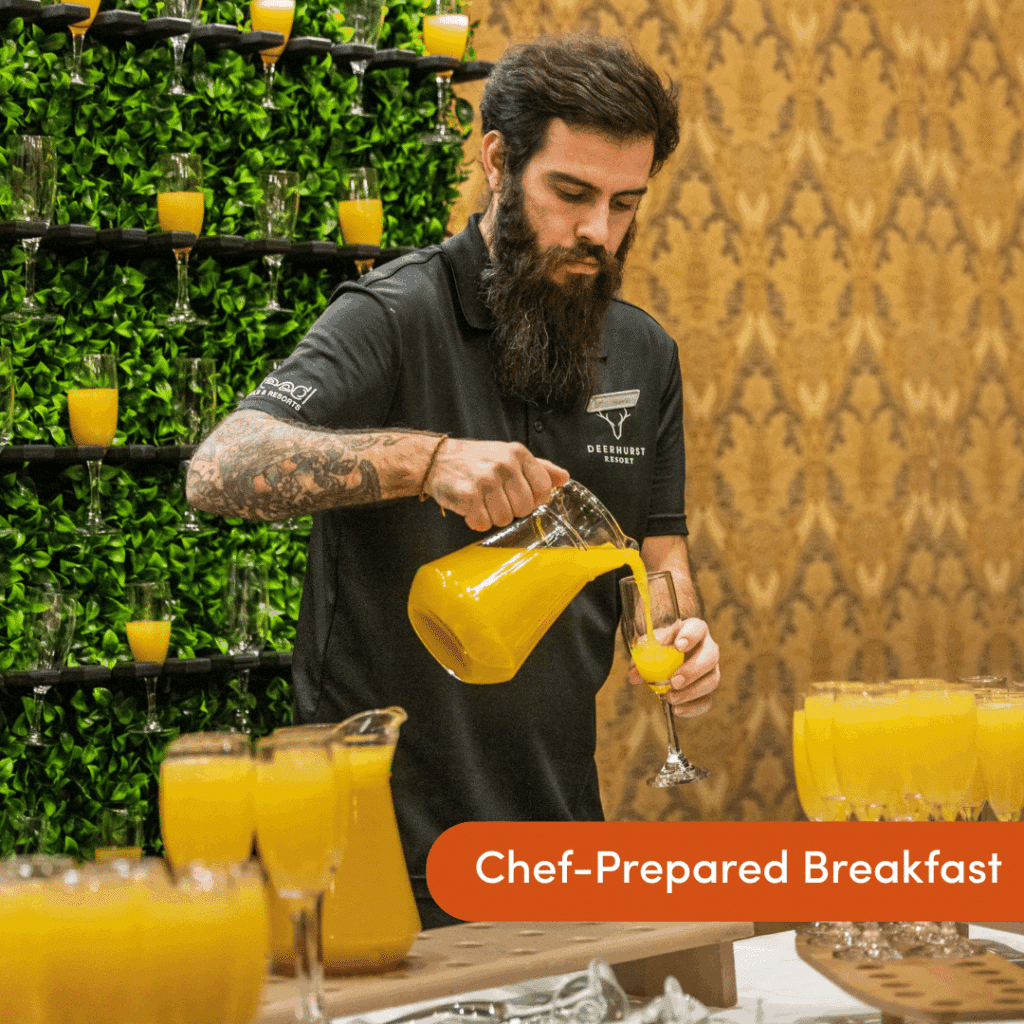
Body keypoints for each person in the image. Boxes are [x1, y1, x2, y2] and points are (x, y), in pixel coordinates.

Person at [187, 33, 721, 929]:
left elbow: (657, 555)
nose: (599, 232)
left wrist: (682, 638)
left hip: (557, 848)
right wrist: (424, 461)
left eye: (625, 203)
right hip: (380, 849)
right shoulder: (394, 313)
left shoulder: (643, 351)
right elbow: (219, 468)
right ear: (497, 160)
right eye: (572, 194)